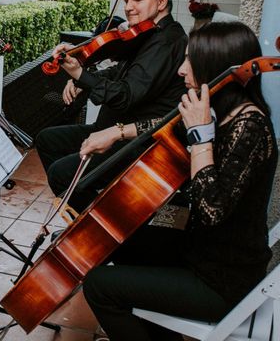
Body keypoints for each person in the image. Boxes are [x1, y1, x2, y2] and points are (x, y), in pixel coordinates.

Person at [81, 21, 278, 341]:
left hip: (220, 278)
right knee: (116, 241)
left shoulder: (250, 125)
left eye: (191, 61)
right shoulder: (218, 107)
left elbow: (211, 210)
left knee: (99, 285)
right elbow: (166, 123)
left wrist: (201, 139)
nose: (182, 70)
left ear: (213, 66)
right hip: (197, 251)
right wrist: (117, 132)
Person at [36, 0, 187, 211]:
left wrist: (79, 75)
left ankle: (94, 226)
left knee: (61, 174)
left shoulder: (167, 41)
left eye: (138, 0)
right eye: (127, 0)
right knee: (47, 140)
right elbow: (117, 74)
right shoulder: (147, 35)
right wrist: (81, 77)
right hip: (109, 128)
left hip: (138, 143)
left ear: (161, 2)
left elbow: (126, 96)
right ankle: (86, 208)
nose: (128, 7)